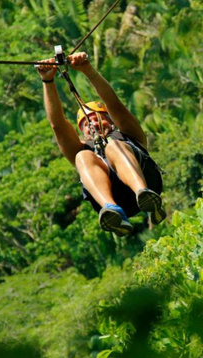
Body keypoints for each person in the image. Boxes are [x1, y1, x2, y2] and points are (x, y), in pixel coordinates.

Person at [36, 52, 165, 236]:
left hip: (147, 181)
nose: (94, 124)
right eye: (87, 124)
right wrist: (48, 82)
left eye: (98, 119)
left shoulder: (128, 133)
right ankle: (112, 211)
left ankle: (145, 197)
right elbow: (57, 125)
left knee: (114, 145)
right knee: (81, 157)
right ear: (82, 132)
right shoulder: (83, 149)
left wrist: (88, 70)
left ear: (111, 122)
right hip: (119, 200)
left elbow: (115, 105)